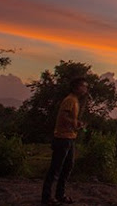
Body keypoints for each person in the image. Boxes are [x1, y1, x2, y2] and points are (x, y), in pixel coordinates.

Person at [41, 77, 88, 205]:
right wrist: (74, 124)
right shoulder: (70, 100)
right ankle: (46, 197)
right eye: (83, 86)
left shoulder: (75, 101)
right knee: (55, 169)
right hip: (62, 138)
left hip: (70, 138)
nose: (85, 89)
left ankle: (60, 194)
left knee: (67, 167)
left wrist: (77, 123)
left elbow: (69, 118)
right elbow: (63, 116)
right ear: (76, 87)